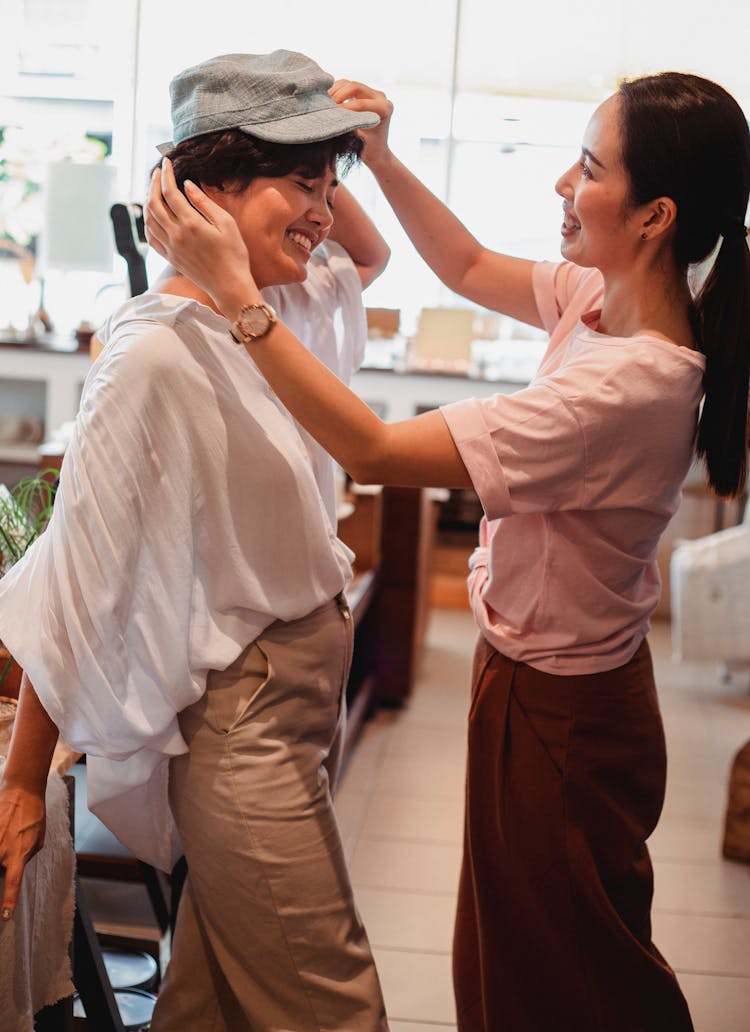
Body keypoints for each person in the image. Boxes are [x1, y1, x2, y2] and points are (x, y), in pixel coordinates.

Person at [144, 70, 750, 1032]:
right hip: (541, 677)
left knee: (566, 977)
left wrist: (236, 296)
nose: (563, 183)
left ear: (654, 215)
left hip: (566, 707)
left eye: (588, 168)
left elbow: (376, 451)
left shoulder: (634, 386)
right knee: (522, 953)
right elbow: (462, 264)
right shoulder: (600, 298)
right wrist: (378, 155)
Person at [0, 50, 392, 1031]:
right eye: (301, 184)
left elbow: (369, 257)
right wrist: (20, 783)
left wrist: (340, 151)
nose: (322, 212)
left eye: (329, 185)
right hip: (243, 724)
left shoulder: (282, 303)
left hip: (295, 707)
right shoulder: (153, 354)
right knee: (329, 1000)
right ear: (203, 190)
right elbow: (73, 580)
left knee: (208, 1004)